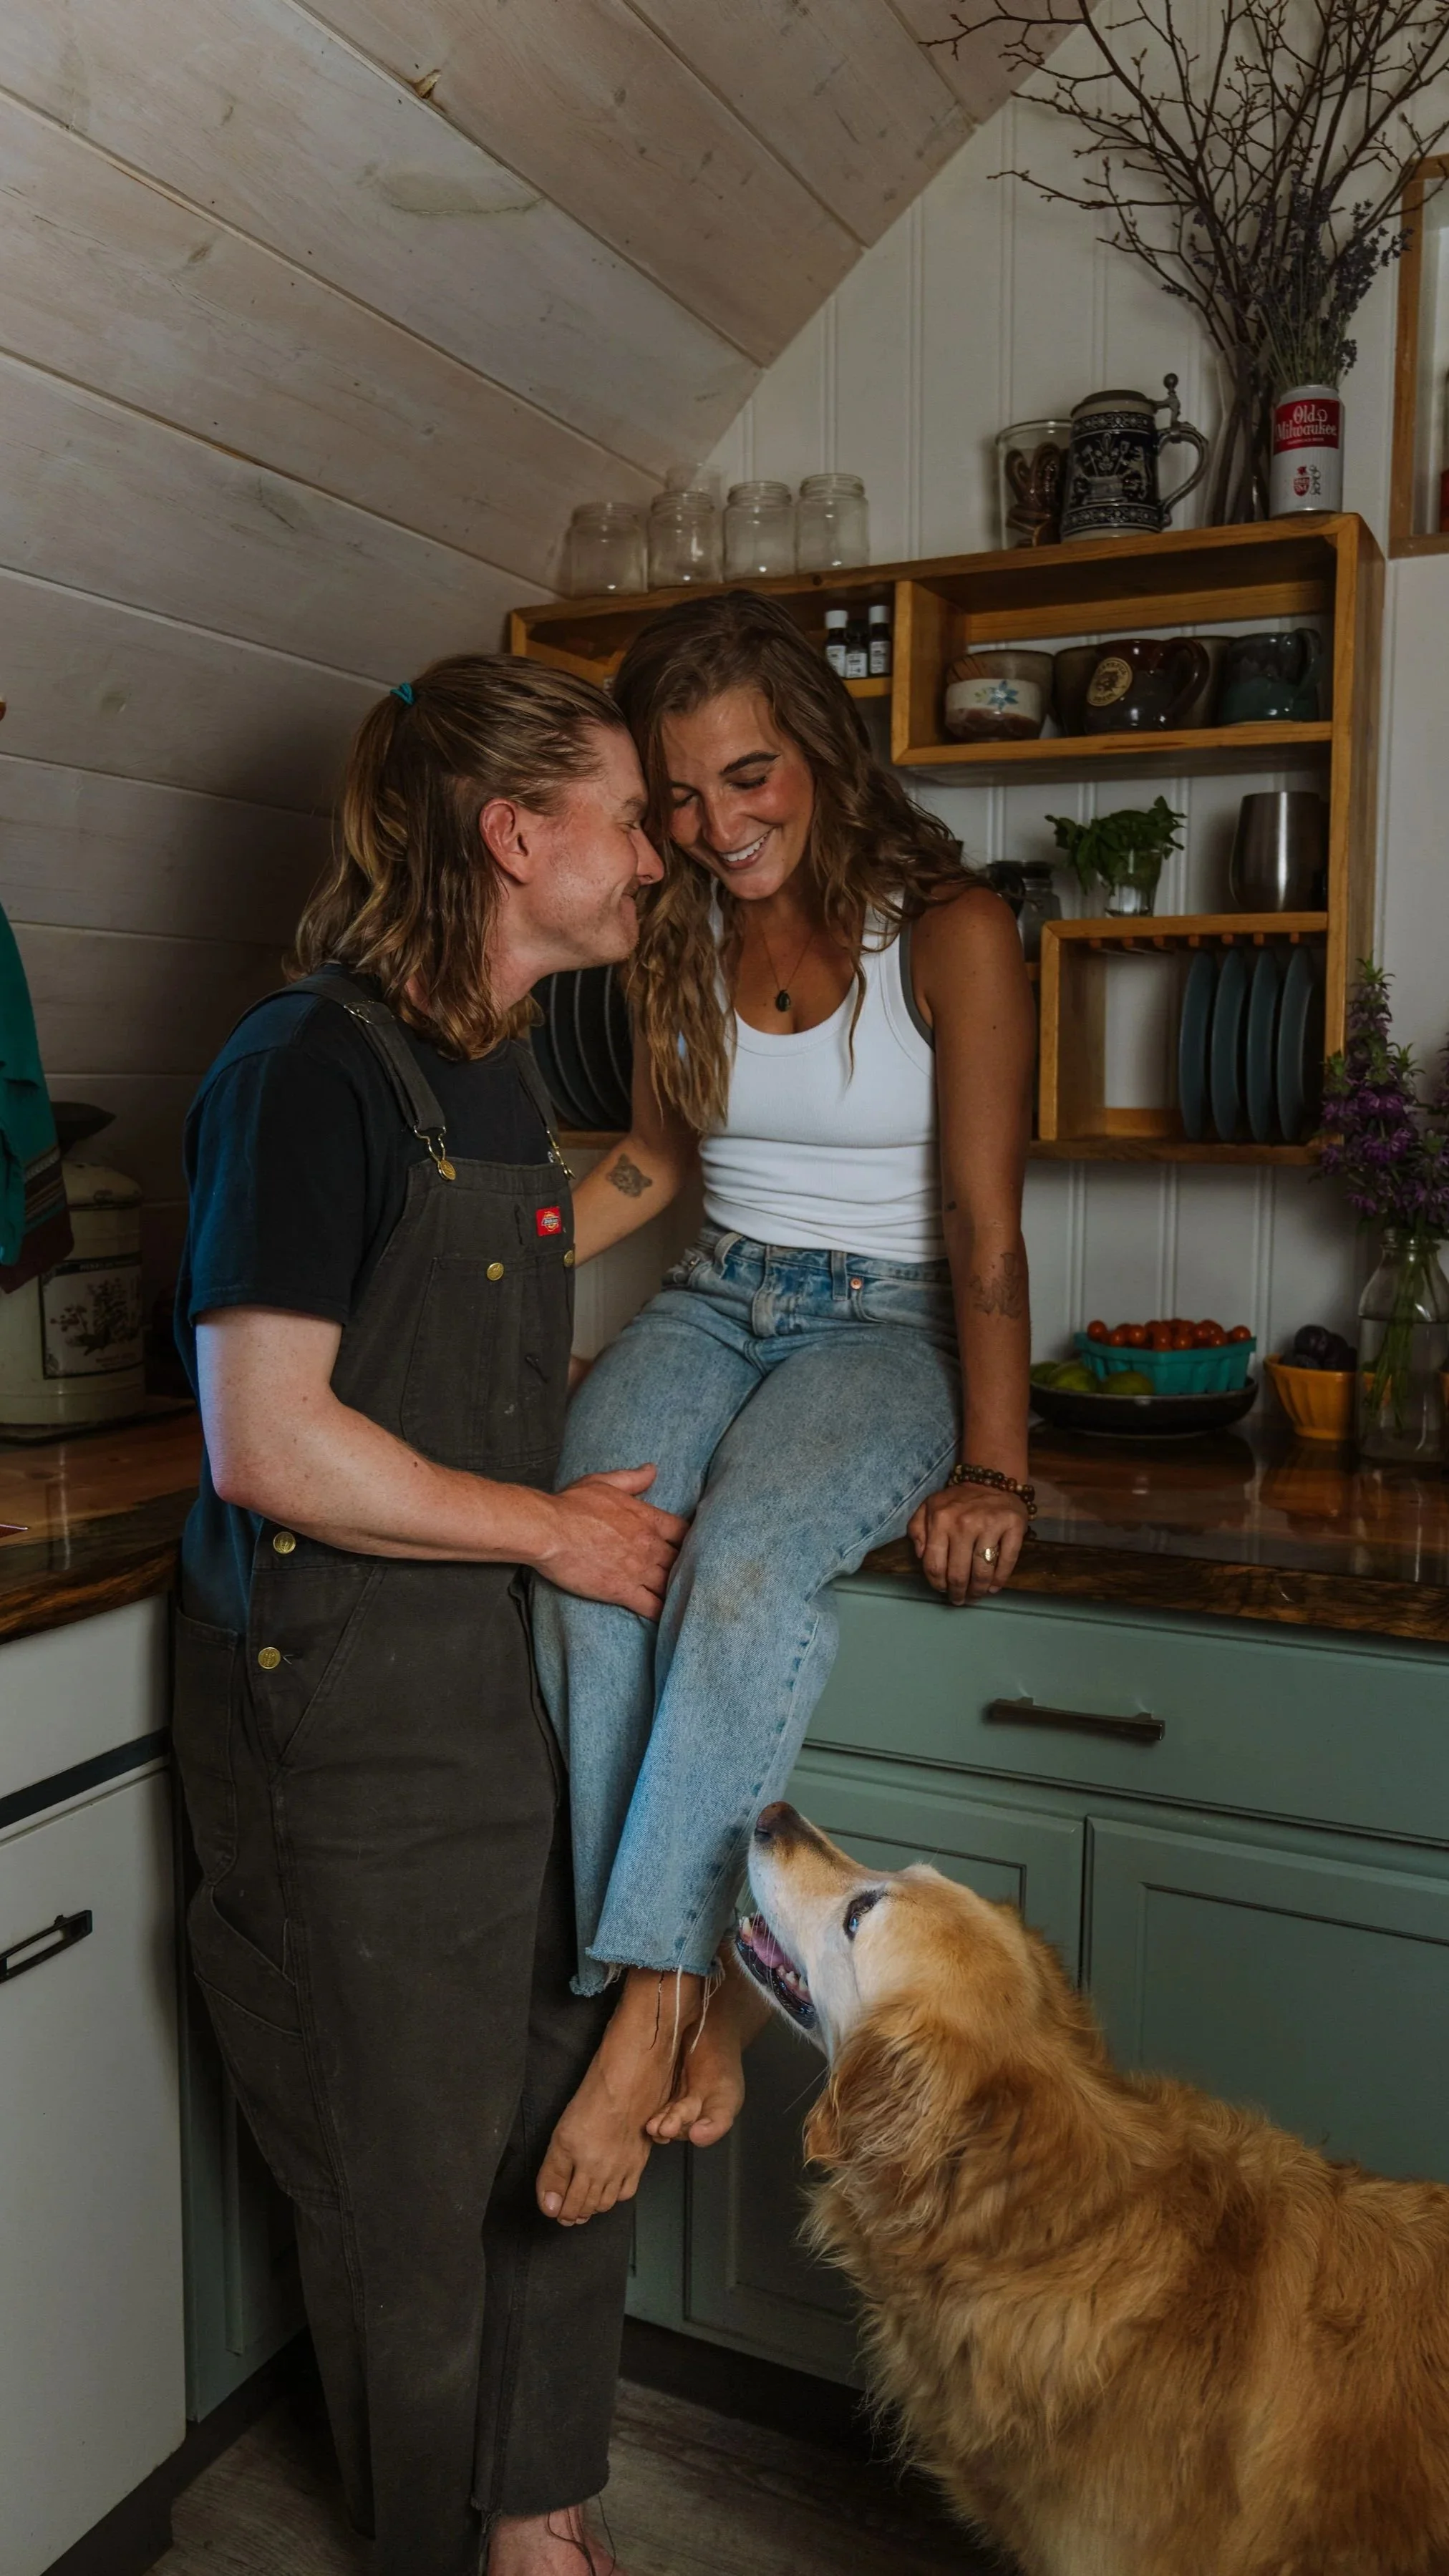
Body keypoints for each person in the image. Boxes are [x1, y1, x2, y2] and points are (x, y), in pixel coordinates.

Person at [170, 655, 686, 2576]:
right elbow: (269, 1438)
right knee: (402, 2197)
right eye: (626, 816)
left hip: (497, 1688)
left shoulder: (491, 1060)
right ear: (514, 833)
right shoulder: (301, 1067)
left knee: (565, 2115)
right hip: (341, 1718)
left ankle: (536, 2514)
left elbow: (431, 1365)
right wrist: (543, 1528)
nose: (649, 854)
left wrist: (566, 1485)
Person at [531, 590, 1037, 2230]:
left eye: (745, 776)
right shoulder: (678, 921)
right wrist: (498, 1262)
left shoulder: (949, 927)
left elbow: (980, 1229)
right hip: (714, 1290)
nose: (710, 825)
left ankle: (646, 1997)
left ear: (817, 747)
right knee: (585, 1536)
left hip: (884, 1323)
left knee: (740, 1564)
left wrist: (993, 1466)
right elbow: (654, 1164)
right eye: (675, 797)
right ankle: (686, 1985)